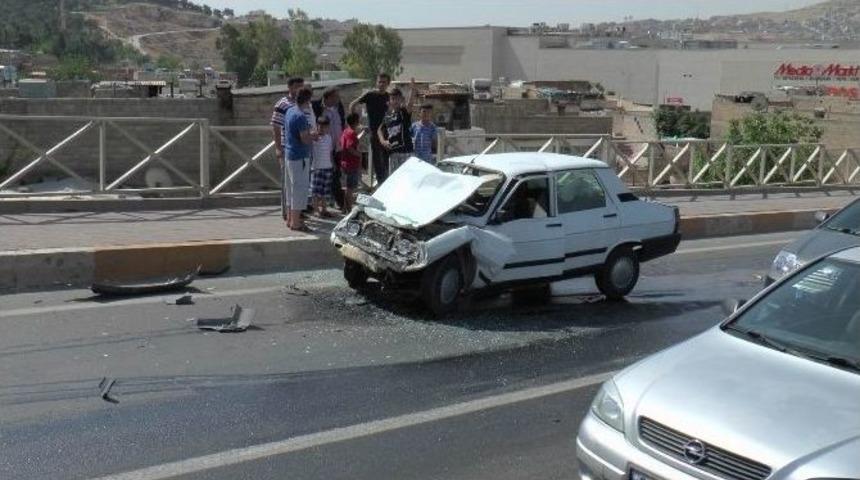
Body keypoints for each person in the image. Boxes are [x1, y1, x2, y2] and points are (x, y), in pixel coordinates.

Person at [271, 77, 304, 223]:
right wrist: (278, 148)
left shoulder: (302, 104)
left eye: (301, 86)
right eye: (297, 86)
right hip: (287, 148)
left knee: (298, 183)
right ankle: (287, 213)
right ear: (289, 87)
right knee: (288, 183)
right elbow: (276, 127)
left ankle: (297, 212)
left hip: (301, 149)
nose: (299, 89)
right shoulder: (282, 104)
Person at [284, 87, 317, 232]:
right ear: (308, 100)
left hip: (289, 154)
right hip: (300, 157)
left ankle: (290, 219)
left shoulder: (289, 111)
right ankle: (296, 223)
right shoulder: (300, 116)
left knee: (290, 189)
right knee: (299, 189)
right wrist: (314, 136)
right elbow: (304, 139)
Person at [349, 73, 390, 183]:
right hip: (374, 133)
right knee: (377, 161)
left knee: (387, 160)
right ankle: (381, 183)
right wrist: (356, 125)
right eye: (379, 82)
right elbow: (352, 105)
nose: (381, 84)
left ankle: (386, 183)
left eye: (384, 82)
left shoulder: (389, 97)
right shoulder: (370, 95)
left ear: (388, 84)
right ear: (376, 82)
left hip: (387, 133)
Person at [312, 87, 345, 209]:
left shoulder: (338, 107)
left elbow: (342, 123)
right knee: (325, 180)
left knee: (335, 175)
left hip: (337, 147)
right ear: (328, 97)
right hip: (322, 149)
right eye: (336, 97)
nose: (338, 99)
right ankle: (339, 203)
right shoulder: (316, 106)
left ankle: (333, 202)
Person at [378, 87, 415, 173]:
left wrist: (412, 90)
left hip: (406, 153)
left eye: (397, 99)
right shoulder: (388, 117)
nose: (395, 101)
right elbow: (379, 130)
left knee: (407, 178)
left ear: (401, 99)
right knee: (394, 178)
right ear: (389, 101)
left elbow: (410, 104)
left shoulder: (403, 112)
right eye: (393, 99)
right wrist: (383, 141)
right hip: (393, 154)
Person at [310, 116, 334, 218]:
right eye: (320, 126)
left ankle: (324, 209)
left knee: (325, 191)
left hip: (328, 166)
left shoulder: (329, 138)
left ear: (328, 127)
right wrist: (313, 134)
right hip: (317, 168)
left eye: (324, 126)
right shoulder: (314, 137)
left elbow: (330, 152)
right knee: (315, 191)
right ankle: (316, 209)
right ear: (317, 126)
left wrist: (332, 164)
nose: (322, 128)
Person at [340, 112, 363, 213]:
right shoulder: (351, 133)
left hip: (345, 163)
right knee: (350, 188)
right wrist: (359, 154)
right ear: (355, 122)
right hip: (351, 164)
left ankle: (345, 207)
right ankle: (349, 209)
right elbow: (349, 147)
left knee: (347, 187)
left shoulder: (345, 131)